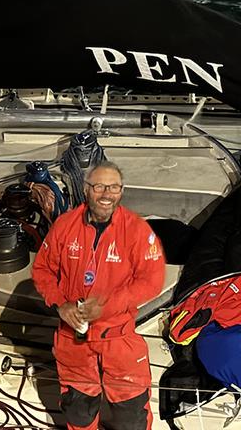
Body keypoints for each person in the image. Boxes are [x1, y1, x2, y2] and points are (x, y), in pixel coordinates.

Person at [32, 161, 165, 430]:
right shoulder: (64, 225)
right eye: (100, 186)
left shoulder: (137, 231)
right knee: (78, 411)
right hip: (73, 338)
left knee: (132, 416)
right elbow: (43, 270)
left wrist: (106, 306)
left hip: (119, 337)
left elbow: (151, 281)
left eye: (114, 187)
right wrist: (60, 304)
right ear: (86, 189)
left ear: (121, 191)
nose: (107, 194)